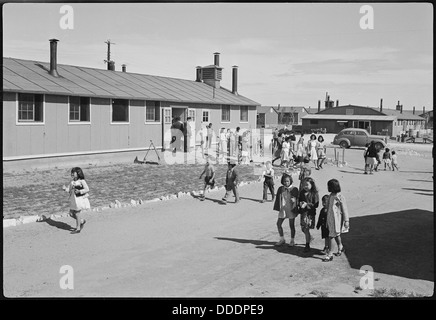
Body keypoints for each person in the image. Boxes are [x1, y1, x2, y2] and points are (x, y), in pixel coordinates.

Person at [322, 179, 349, 262]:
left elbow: (344, 209)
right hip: (330, 219)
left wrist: (346, 220)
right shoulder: (330, 196)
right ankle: (340, 246)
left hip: (336, 219)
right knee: (336, 234)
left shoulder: (340, 197)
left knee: (331, 236)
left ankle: (330, 254)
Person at [273, 173, 299, 246]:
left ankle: (292, 240)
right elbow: (278, 198)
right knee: (278, 224)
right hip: (283, 209)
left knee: (291, 225)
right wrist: (277, 207)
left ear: (290, 181)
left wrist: (295, 200)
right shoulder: (281, 189)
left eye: (287, 181)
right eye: (284, 181)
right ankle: (282, 239)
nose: (286, 183)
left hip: (291, 209)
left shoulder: (294, 189)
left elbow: (298, 198)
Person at [62, 167, 90, 234]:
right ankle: (82, 221)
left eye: (73, 172)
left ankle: (78, 228)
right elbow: (69, 190)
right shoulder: (72, 182)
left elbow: (87, 189)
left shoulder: (82, 181)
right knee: (71, 214)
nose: (72, 174)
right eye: (71, 172)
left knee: (77, 213)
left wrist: (80, 191)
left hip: (79, 200)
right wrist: (65, 189)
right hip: (73, 200)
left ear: (78, 173)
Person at [298, 177, 319, 252]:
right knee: (303, 228)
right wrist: (300, 203)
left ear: (312, 185)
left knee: (306, 229)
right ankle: (309, 237)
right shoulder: (301, 192)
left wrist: (307, 204)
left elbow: (316, 205)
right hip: (303, 213)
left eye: (307, 185)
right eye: (304, 185)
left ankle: (307, 245)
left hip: (310, 214)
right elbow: (299, 200)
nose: (305, 186)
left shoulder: (314, 193)